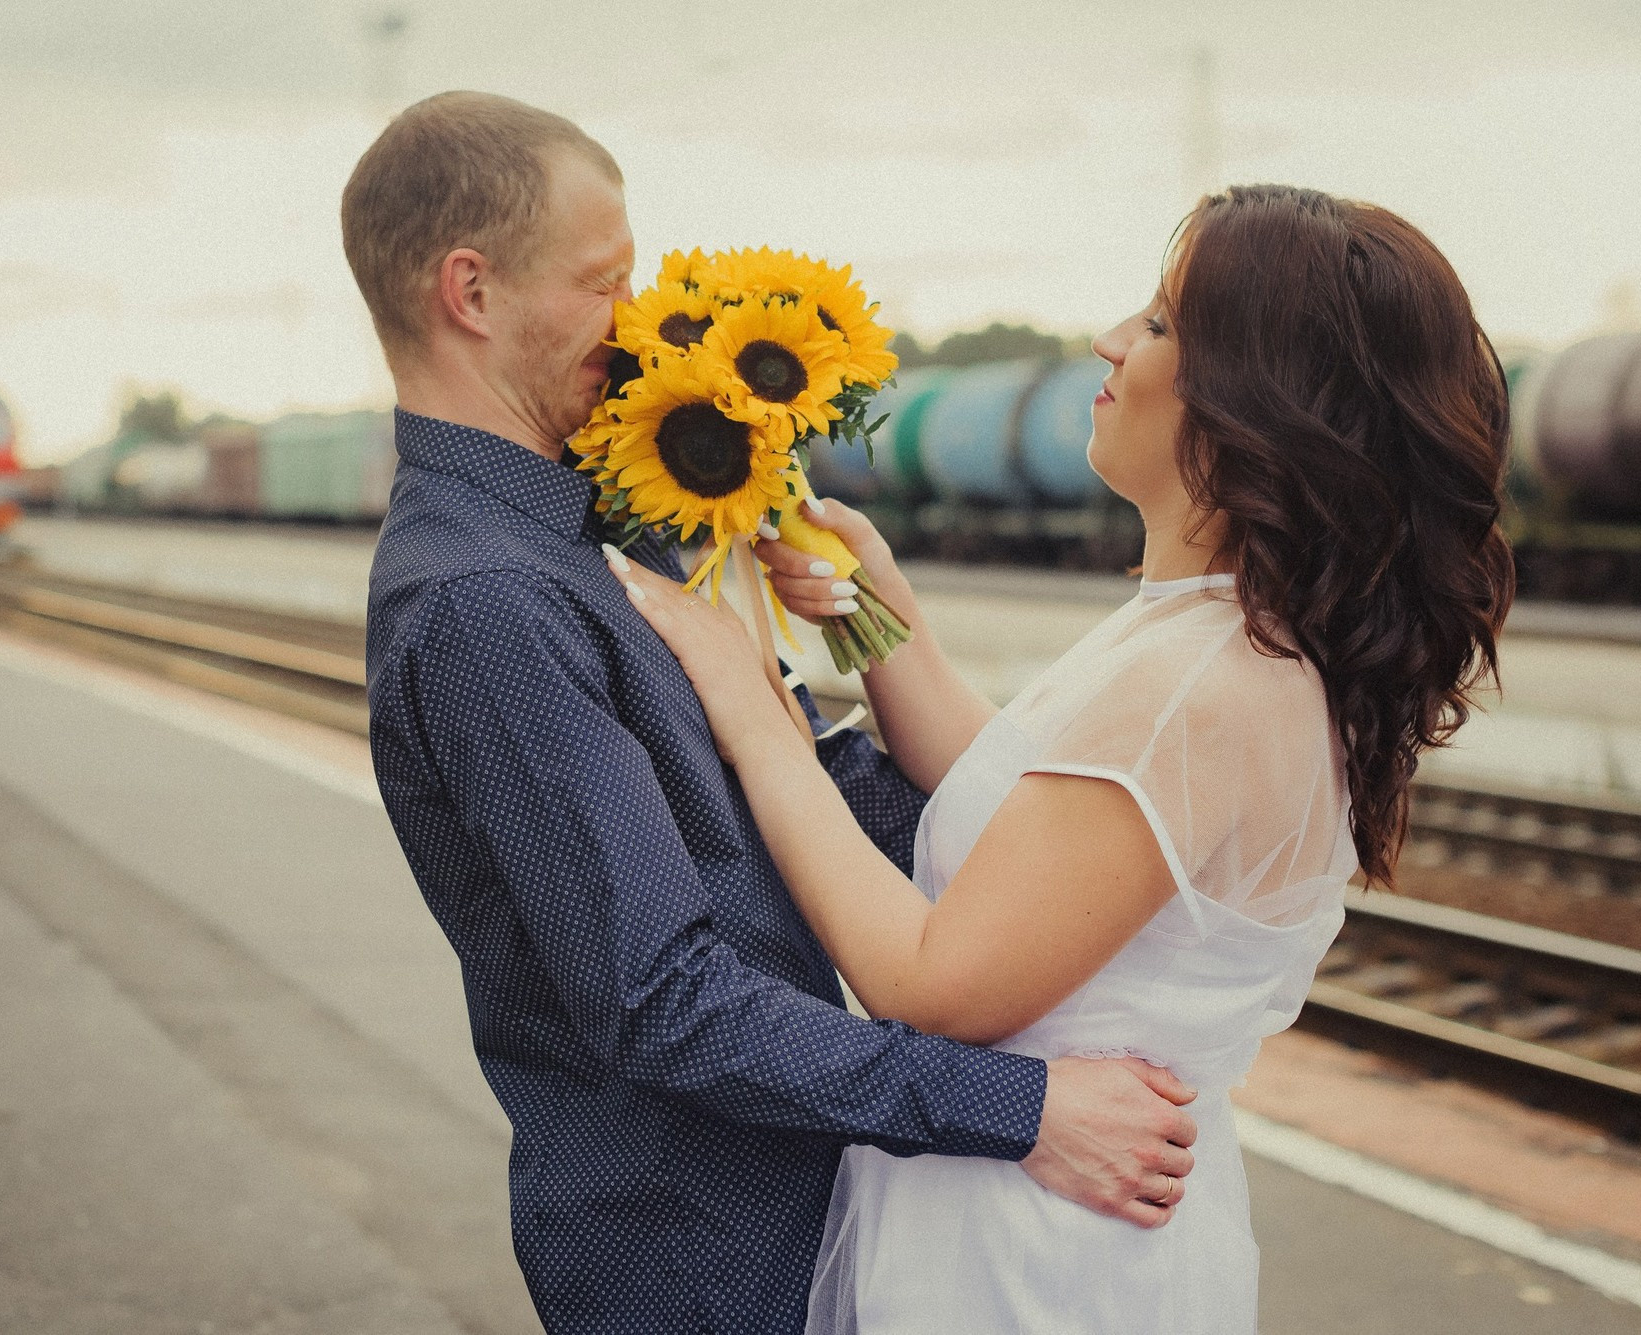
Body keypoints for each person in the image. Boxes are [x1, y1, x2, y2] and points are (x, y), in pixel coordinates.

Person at [347, 91, 1203, 1334]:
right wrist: (1024, 1113)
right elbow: (660, 1000)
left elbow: (809, 801)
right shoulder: (487, 605)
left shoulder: (596, 542)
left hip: (796, 1218)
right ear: (469, 294)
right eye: (603, 282)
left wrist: (1074, 816)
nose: (636, 323)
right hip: (701, 1259)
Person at [610, 183, 1517, 1332]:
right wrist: (880, 622)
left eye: (1156, 323)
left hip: (1035, 1268)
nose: (1108, 341)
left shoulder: (1195, 682)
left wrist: (743, 702)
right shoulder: (1208, 634)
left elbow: (933, 985)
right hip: (1058, 1232)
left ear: (1251, 397)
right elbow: (1027, 813)